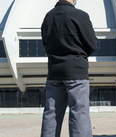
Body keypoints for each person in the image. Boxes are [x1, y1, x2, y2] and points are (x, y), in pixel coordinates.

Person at [40, 0, 97, 137]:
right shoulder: (80, 15)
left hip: (54, 70)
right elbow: (92, 43)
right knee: (79, 112)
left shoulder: (48, 16)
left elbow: (45, 42)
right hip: (76, 69)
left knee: (51, 113)